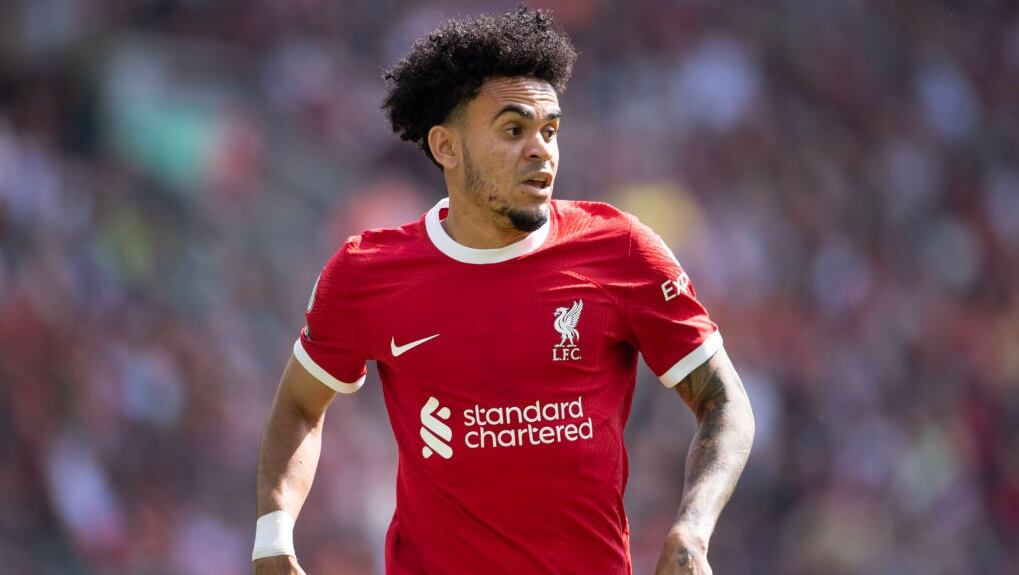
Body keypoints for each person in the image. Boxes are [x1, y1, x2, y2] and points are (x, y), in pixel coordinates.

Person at [252, 7, 754, 575]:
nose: (541, 150)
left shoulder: (620, 250)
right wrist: (274, 533)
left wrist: (693, 528)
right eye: (514, 130)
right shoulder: (366, 272)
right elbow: (298, 406)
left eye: (550, 130)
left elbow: (725, 403)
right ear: (446, 147)